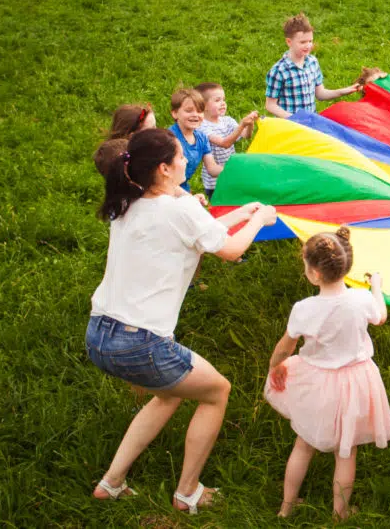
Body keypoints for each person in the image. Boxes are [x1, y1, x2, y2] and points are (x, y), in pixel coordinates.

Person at [87, 128, 277, 513]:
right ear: (163, 168)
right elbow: (230, 249)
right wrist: (262, 220)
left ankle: (111, 483)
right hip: (140, 342)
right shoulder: (179, 208)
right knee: (217, 391)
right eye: (179, 157)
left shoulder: (129, 203)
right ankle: (188, 492)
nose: (184, 161)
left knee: (170, 393)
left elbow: (201, 228)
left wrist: (244, 212)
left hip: (98, 334)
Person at [264, 228, 390, 520]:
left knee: (303, 443)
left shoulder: (305, 309)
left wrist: (275, 366)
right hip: (355, 381)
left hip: (318, 381)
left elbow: (286, 347)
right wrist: (376, 287)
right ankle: (340, 513)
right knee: (346, 452)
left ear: (314, 273)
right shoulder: (361, 300)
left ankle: (286, 507)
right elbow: (381, 316)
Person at [264, 13, 360, 119]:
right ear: (289, 42)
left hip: (310, 123)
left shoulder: (312, 62)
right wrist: (293, 119)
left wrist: (344, 91)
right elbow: (270, 105)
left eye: (310, 41)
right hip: (289, 127)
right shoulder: (279, 71)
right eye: (303, 42)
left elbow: (320, 94)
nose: (308, 45)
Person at [194, 82, 257, 200]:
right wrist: (242, 124)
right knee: (220, 207)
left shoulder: (227, 120)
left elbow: (246, 135)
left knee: (235, 203)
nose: (223, 103)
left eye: (223, 99)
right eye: (217, 100)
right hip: (215, 181)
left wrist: (249, 124)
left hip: (231, 173)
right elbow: (224, 143)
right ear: (203, 106)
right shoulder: (202, 127)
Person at [168, 88, 222, 194]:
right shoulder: (169, 138)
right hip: (166, 190)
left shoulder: (202, 137)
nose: (195, 115)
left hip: (183, 189)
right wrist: (189, 198)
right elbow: (164, 179)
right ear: (175, 113)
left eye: (199, 111)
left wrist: (233, 169)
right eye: (189, 110)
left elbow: (212, 168)